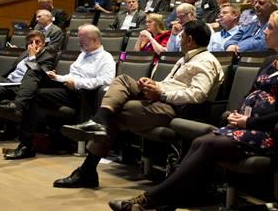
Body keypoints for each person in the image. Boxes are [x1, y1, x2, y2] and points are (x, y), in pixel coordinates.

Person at [108, 11, 278, 211]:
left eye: (269, 28)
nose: (264, 31)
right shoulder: (270, 62)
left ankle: (150, 199)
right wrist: (235, 114)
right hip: (247, 127)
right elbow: (252, 94)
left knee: (207, 145)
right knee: (201, 141)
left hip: (273, 135)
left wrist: (250, 121)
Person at [54, 20, 224, 190]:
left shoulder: (205, 62)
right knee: (123, 80)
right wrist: (153, 84)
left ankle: (88, 168)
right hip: (162, 97)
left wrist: (162, 94)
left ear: (190, 40)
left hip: (176, 108)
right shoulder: (187, 58)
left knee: (117, 112)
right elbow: (172, 83)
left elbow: (199, 95)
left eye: (182, 36)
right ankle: (99, 121)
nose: (179, 39)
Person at [0, 24, 116, 159]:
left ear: (94, 40)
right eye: (79, 38)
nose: (79, 41)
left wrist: (77, 83)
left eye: (82, 38)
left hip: (83, 95)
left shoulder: (106, 58)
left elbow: (106, 81)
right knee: (35, 76)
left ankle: (18, 109)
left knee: (33, 84)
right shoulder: (82, 55)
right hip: (68, 89)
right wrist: (57, 77)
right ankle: (25, 141)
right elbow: (71, 75)